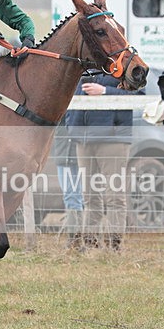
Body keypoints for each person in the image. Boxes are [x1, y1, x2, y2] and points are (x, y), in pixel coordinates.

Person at [66, 73, 139, 251]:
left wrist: (105, 91)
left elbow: (138, 97)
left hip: (113, 140)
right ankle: (91, 244)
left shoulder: (124, 67)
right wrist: (71, 124)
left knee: (114, 195)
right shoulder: (83, 65)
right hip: (83, 139)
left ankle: (113, 246)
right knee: (89, 196)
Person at [54, 117, 84, 250]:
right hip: (64, 152)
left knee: (73, 196)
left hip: (72, 154)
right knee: (71, 196)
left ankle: (75, 241)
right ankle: (75, 238)